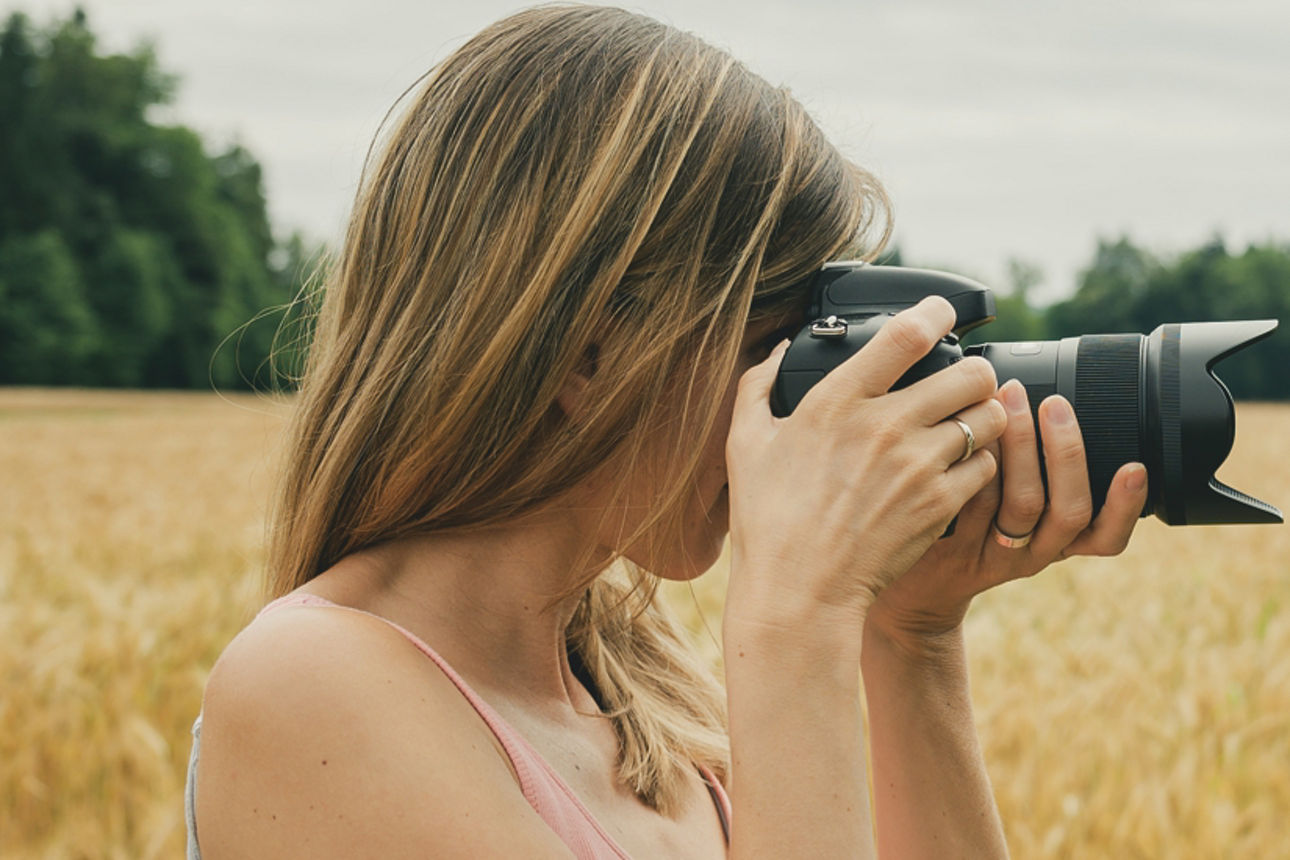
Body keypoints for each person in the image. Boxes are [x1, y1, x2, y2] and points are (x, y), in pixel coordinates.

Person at [185, 5, 1149, 858]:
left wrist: (912, 638)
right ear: (589, 354)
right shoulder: (312, 688)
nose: (803, 404)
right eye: (777, 344)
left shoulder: (649, 705)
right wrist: (796, 619)